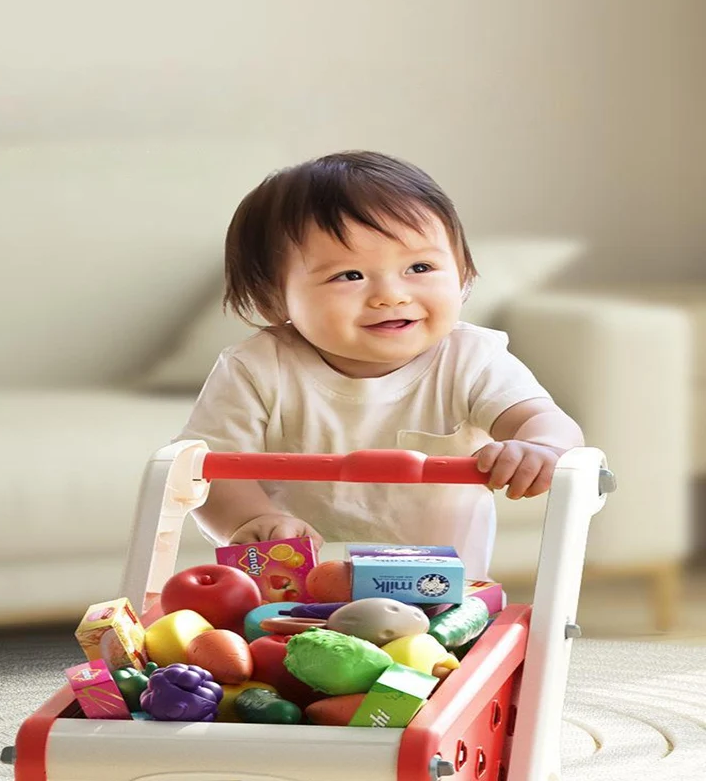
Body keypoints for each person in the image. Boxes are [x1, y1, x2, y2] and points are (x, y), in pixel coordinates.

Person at [176, 151, 584, 579]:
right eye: (349, 276)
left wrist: (541, 448)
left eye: (420, 267)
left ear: (463, 275)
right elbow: (211, 468)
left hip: (438, 584)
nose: (391, 295)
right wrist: (249, 520)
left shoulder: (470, 358)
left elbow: (541, 418)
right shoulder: (257, 367)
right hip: (296, 584)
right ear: (274, 300)